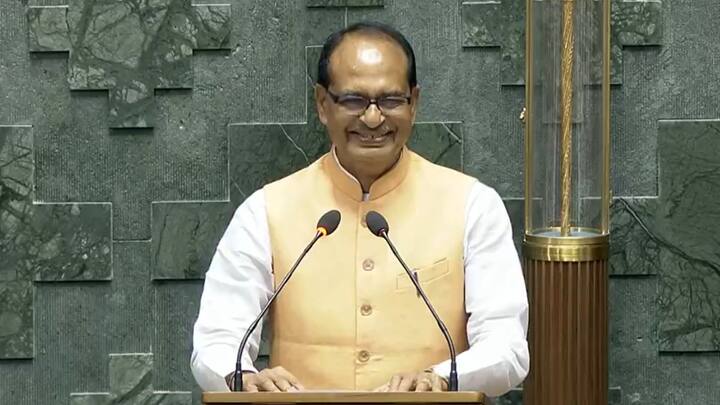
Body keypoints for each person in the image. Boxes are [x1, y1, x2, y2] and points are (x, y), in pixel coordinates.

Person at [191, 22, 529, 396]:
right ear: (323, 104)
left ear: (414, 103)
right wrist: (240, 376)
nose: (373, 118)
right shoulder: (265, 211)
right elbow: (217, 338)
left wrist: (443, 376)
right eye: (353, 100)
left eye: (390, 100)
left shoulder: (473, 206)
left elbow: (507, 347)